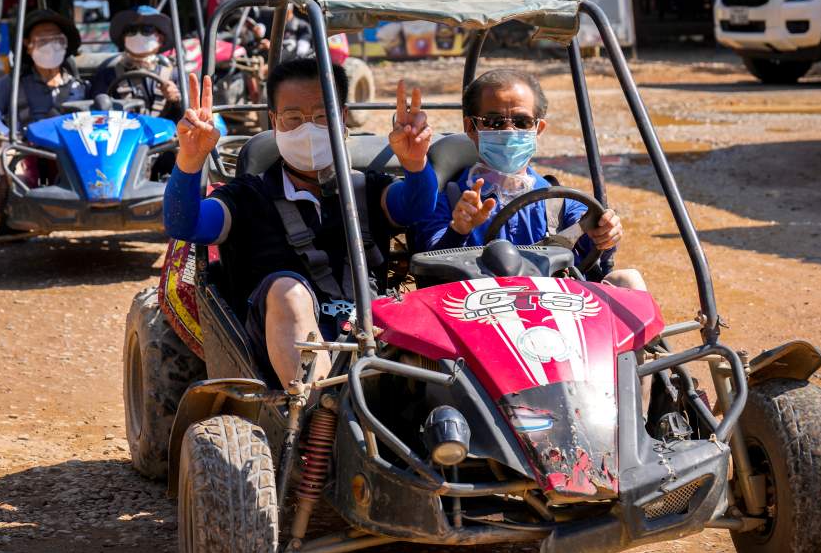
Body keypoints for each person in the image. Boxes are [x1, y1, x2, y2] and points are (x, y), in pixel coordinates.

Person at [164, 59, 438, 388]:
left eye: (322, 117)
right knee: (287, 290)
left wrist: (415, 163)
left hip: (371, 336)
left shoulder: (366, 189)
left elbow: (417, 208)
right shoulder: (248, 196)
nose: (308, 129)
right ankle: (319, 410)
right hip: (276, 348)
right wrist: (190, 161)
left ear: (342, 117)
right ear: (274, 121)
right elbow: (186, 224)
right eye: (294, 118)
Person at [412, 68, 646, 291]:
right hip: (478, 316)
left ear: (538, 128)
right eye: (494, 122)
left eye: (522, 122)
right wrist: (459, 230)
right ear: (471, 127)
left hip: (552, 312)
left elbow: (593, 241)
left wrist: (605, 233)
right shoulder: (448, 200)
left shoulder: (558, 201)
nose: (510, 131)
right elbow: (429, 271)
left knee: (628, 279)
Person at [0, 9, 85, 186]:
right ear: (28, 45)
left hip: (73, 157)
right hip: (26, 151)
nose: (51, 46)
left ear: (65, 44)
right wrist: (9, 135)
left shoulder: (79, 86)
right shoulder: (13, 83)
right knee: (12, 164)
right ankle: (7, 210)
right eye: (43, 40)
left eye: (57, 40)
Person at [88, 6, 181, 119]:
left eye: (147, 29)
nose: (138, 35)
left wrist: (176, 100)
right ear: (124, 38)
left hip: (167, 136)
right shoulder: (107, 76)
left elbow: (191, 115)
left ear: (160, 38)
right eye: (131, 30)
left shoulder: (175, 76)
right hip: (122, 135)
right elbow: (95, 115)